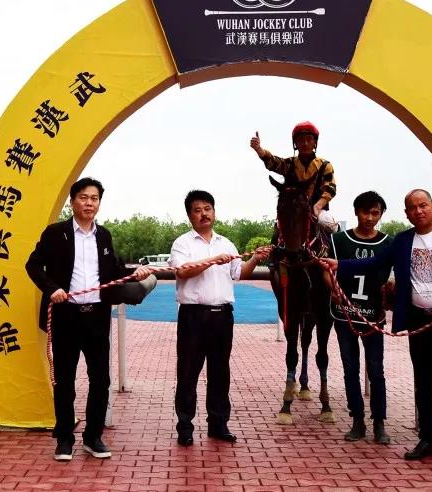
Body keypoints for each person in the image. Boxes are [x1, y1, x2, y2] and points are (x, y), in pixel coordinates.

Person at [323, 189, 432, 469]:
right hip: (419, 324)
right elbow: (375, 263)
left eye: (423, 205)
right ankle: (428, 440)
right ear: (406, 213)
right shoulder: (403, 241)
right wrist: (341, 265)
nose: (418, 211)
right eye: (412, 208)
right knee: (424, 384)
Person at [25, 177, 154, 462]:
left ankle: (93, 437)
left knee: (100, 379)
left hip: (96, 316)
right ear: (72, 202)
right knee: (64, 381)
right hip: (65, 316)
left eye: (94, 198)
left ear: (99, 203)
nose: (89, 203)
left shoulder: (104, 235)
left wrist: (136, 272)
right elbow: (32, 265)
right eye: (83, 198)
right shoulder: (55, 233)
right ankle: (64, 439)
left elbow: (114, 271)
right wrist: (52, 289)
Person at [134, 190, 267, 446]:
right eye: (197, 210)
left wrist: (254, 259)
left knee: (220, 372)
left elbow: (239, 273)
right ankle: (185, 427)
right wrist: (212, 260)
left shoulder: (226, 243)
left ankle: (218, 424)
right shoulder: (182, 244)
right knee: (188, 372)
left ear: (214, 212)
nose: (204, 214)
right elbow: (183, 272)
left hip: (223, 317)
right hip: (193, 317)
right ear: (189, 215)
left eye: (208, 208)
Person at [326, 191, 394, 445]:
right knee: (350, 368)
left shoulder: (388, 243)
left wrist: (391, 293)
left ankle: (379, 422)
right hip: (345, 315)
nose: (370, 217)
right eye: (365, 212)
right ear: (356, 212)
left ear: (381, 214)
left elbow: (394, 277)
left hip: (373, 316)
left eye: (375, 213)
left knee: (376, 369)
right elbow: (326, 269)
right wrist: (333, 288)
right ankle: (357, 420)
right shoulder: (338, 240)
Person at [250, 122, 337, 225]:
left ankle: (339, 235)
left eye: (309, 139)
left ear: (315, 142)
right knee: (278, 226)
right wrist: (259, 149)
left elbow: (330, 189)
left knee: (327, 223)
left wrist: (317, 206)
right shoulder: (289, 164)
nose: (305, 143)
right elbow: (273, 162)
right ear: (295, 143)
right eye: (301, 140)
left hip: (318, 209)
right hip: (293, 210)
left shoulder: (325, 165)